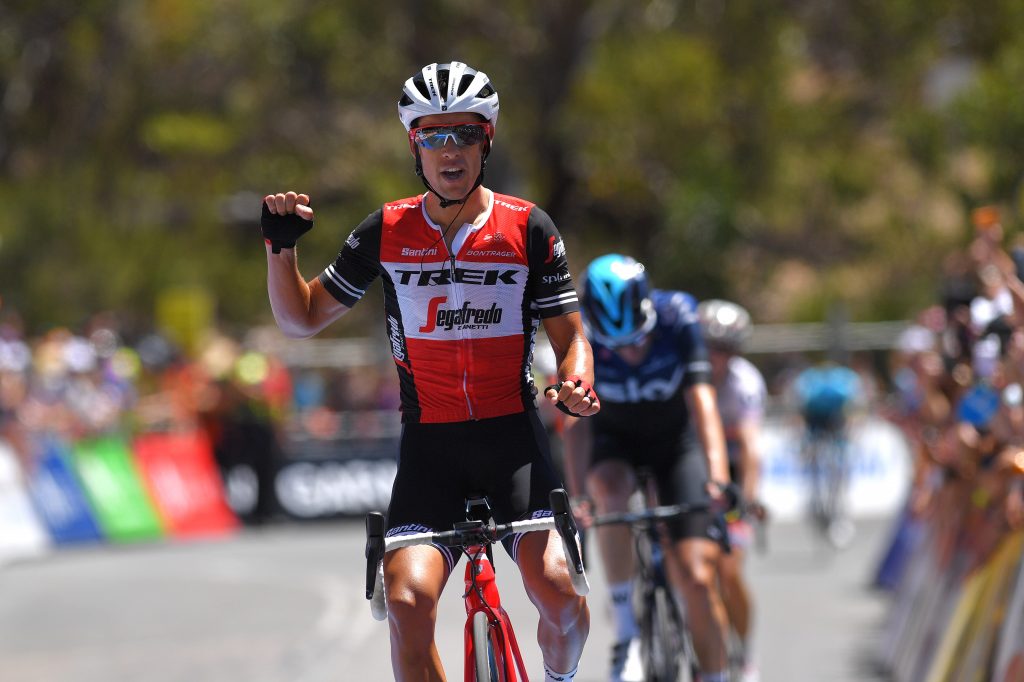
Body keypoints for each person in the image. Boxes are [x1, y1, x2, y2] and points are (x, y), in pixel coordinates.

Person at [259, 61, 598, 682]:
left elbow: (571, 334)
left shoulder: (527, 227)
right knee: (408, 604)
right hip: (430, 448)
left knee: (555, 589)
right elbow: (302, 319)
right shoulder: (385, 230)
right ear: (414, 145)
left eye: (464, 135)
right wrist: (282, 251)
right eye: (433, 136)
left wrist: (576, 383)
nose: (451, 151)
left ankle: (559, 674)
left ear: (486, 142)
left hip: (513, 440)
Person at [562, 254, 733, 682]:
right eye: (618, 346)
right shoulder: (575, 329)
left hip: (674, 444)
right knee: (608, 490)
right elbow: (573, 426)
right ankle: (626, 634)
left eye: (638, 339)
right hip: (612, 442)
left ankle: (715, 673)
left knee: (697, 577)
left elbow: (703, 401)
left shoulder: (679, 316)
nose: (631, 352)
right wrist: (578, 493)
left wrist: (718, 476)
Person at [698, 299, 767, 682]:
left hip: (735, 476)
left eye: (724, 350)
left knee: (728, 571)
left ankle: (743, 654)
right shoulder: (684, 376)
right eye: (708, 347)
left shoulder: (745, 381)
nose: (715, 358)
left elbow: (752, 450)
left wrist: (748, 500)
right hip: (695, 473)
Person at [791, 360, 864, 548]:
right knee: (813, 463)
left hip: (836, 425)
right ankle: (815, 503)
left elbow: (853, 414)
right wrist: (802, 442)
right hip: (815, 425)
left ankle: (839, 512)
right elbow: (799, 416)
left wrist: (852, 436)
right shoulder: (809, 386)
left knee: (839, 469)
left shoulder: (844, 386)